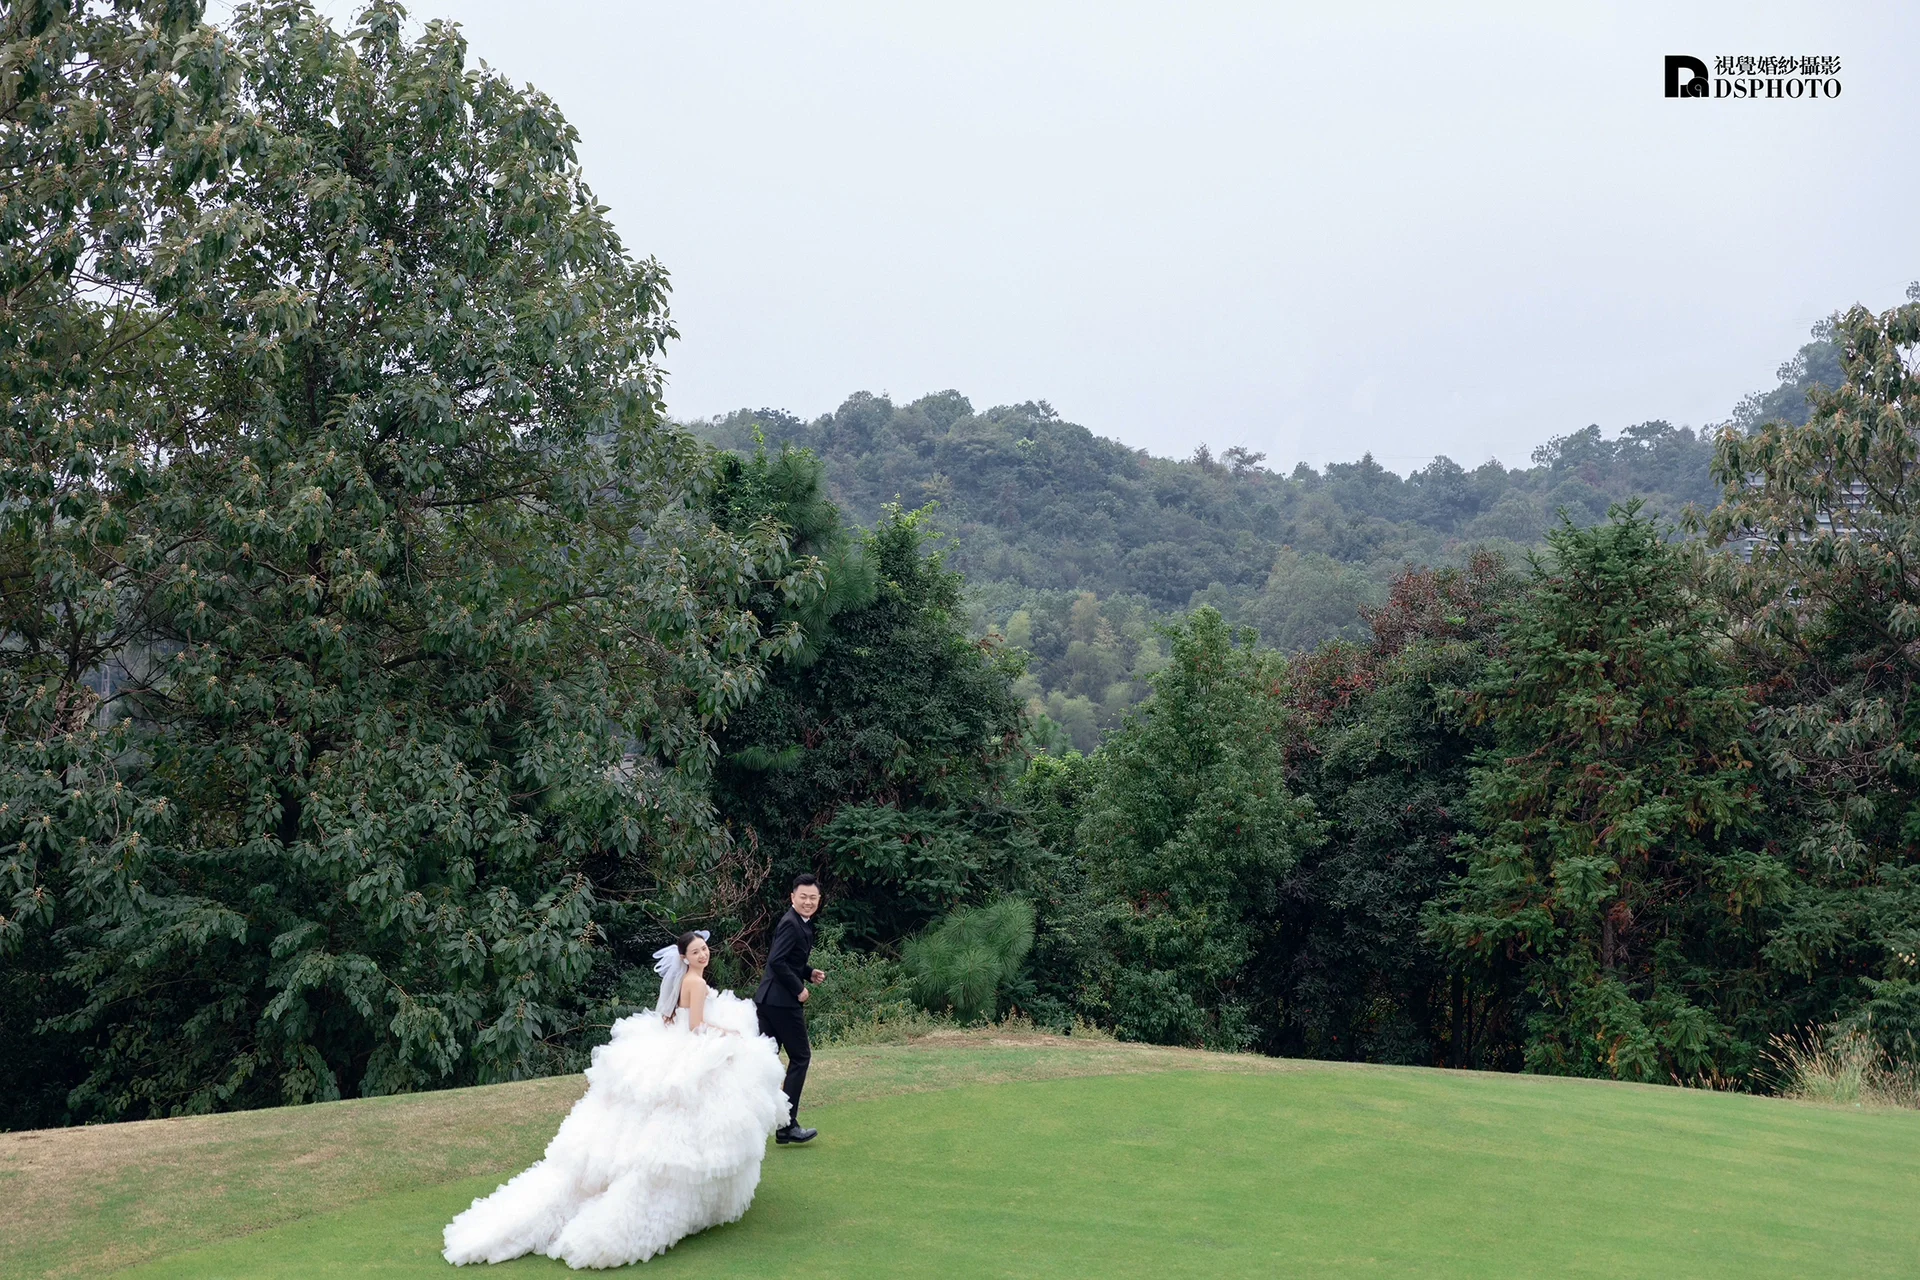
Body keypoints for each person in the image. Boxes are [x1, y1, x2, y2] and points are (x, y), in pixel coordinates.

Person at [442, 930, 788, 1269]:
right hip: (693, 1047)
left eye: (704, 949)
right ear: (684, 957)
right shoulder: (695, 983)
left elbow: (679, 1020)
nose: (703, 954)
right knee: (692, 1121)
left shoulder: (688, 981)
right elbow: (697, 1026)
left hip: (677, 1044)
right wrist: (728, 1034)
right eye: (696, 951)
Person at [755, 874, 828, 1145]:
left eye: (813, 898)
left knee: (764, 1063)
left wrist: (808, 973)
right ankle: (787, 1125)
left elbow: (789, 959)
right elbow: (776, 962)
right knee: (800, 1058)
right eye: (803, 897)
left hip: (769, 1000)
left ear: (819, 900)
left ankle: (758, 1121)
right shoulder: (790, 923)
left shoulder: (801, 923)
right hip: (782, 1003)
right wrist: (799, 988)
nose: (808, 902)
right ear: (792, 897)